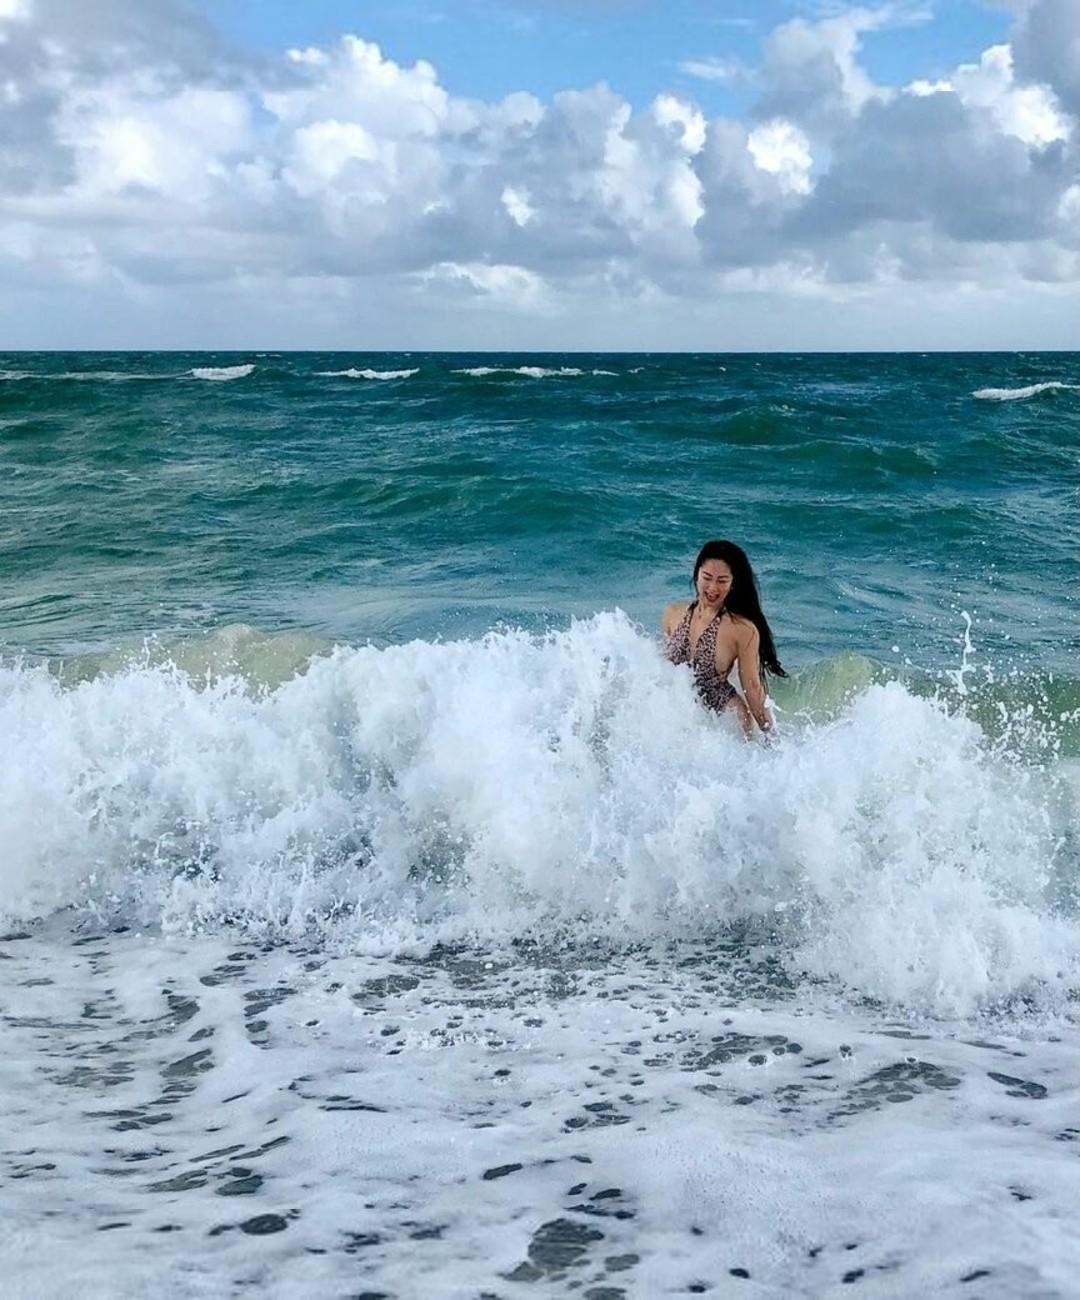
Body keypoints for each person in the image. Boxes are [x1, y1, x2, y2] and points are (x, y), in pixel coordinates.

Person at [662, 539, 786, 736]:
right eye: (707, 577)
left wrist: (774, 740)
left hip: (726, 721)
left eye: (722, 581)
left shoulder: (742, 630)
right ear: (696, 575)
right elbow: (663, 672)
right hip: (678, 717)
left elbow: (752, 687)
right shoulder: (672, 614)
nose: (712, 588)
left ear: (732, 584)